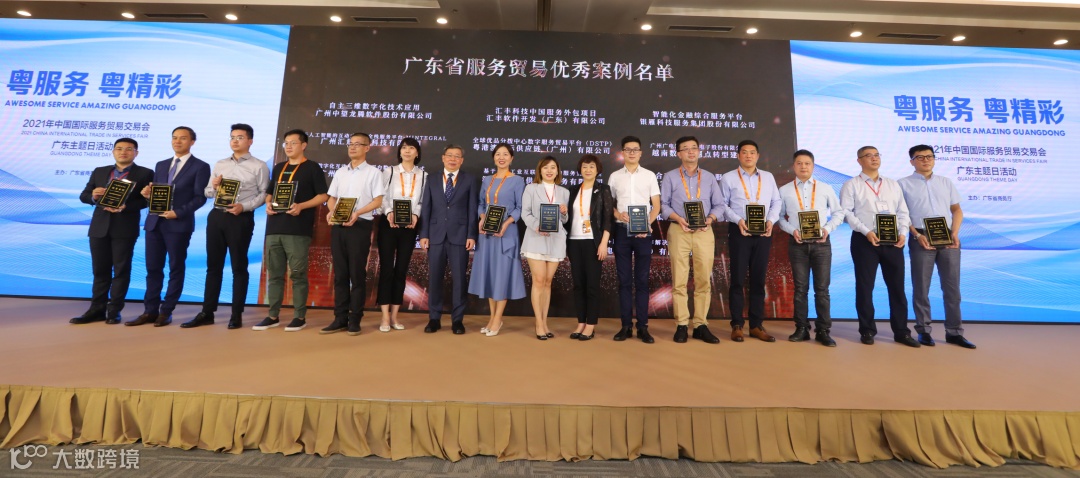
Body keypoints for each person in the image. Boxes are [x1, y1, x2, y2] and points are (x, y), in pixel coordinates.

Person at [182, 123, 269, 330]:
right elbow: (207, 192)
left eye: (240, 137)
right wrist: (213, 187)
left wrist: (244, 207)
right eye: (232, 137)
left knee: (239, 266)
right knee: (213, 266)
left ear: (250, 141)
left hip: (240, 218)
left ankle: (236, 314)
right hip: (217, 217)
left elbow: (263, 194)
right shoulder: (220, 164)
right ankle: (207, 312)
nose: (235, 141)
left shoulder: (259, 166)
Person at [125, 126, 211, 327]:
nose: (177, 141)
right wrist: (148, 195)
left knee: (175, 268)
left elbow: (200, 197)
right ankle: (150, 311)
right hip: (155, 223)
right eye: (174, 138)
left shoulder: (200, 166)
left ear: (192, 142)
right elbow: (158, 193)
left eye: (183, 138)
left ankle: (166, 311)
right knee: (152, 268)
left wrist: (178, 212)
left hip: (178, 224)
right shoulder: (161, 164)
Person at [840, 146, 919, 347]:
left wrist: (903, 233)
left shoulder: (892, 184)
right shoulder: (851, 185)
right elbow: (847, 213)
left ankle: (901, 331)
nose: (874, 158)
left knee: (897, 287)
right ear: (859, 160)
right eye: (869, 156)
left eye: (876, 155)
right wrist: (866, 231)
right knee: (865, 287)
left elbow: (903, 212)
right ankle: (867, 330)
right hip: (864, 240)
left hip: (893, 240)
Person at [898, 144, 975, 349]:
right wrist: (916, 235)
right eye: (920, 157)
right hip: (921, 237)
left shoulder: (945, 182)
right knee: (921, 287)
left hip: (947, 237)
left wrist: (954, 233)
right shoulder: (902, 184)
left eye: (929, 156)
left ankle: (954, 332)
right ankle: (923, 331)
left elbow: (956, 210)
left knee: (952, 287)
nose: (926, 160)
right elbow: (901, 215)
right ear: (912, 161)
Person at [251, 129, 328, 332]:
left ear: (304, 145)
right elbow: (269, 193)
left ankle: (299, 317)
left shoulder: (312, 167)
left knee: (298, 275)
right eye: (286, 143)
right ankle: (272, 315)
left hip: (298, 230)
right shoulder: (279, 167)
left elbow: (323, 196)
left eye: (293, 142)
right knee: (274, 275)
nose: (289, 146)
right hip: (274, 228)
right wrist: (268, 204)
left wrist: (301, 206)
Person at [71, 138, 154, 325]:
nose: (123, 152)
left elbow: (146, 201)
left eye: (128, 149)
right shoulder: (100, 171)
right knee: (100, 271)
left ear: (136, 153)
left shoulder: (145, 173)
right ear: (113, 152)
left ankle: (114, 310)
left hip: (125, 227)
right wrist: (93, 196)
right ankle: (96, 309)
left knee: (121, 271)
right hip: (99, 227)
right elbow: (84, 195)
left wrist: (126, 206)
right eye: (119, 148)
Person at [776, 149, 845, 347]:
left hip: (821, 244)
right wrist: (792, 231)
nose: (803, 166)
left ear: (813, 166)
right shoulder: (784, 190)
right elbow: (779, 217)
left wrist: (827, 229)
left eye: (807, 163)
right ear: (793, 166)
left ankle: (823, 330)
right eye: (799, 163)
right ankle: (801, 328)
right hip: (797, 244)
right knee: (800, 289)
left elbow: (839, 213)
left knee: (822, 290)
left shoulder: (825, 188)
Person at [660, 136, 724, 344]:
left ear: (699, 151)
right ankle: (681, 324)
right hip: (679, 229)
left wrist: (709, 219)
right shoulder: (670, 177)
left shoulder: (709, 177)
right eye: (685, 149)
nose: (690, 151)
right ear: (678, 154)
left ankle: (700, 325)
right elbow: (663, 205)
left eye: (694, 148)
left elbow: (719, 205)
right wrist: (678, 218)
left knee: (703, 279)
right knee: (679, 279)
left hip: (704, 231)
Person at [321, 132, 385, 336]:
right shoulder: (341, 172)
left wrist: (357, 213)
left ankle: (355, 318)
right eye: (350, 144)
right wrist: (332, 211)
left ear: (367, 148)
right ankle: (340, 318)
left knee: (357, 274)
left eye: (358, 144)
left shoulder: (374, 172)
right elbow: (331, 197)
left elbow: (378, 201)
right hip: (339, 226)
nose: (353, 147)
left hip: (360, 226)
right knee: (340, 274)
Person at [720, 140, 782, 343]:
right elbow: (722, 205)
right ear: (738, 155)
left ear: (758, 156)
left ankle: (756, 325)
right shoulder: (728, 177)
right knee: (737, 280)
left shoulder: (768, 177)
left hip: (763, 233)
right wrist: (738, 220)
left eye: (752, 152)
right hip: (740, 231)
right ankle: (737, 325)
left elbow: (776, 201)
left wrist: (771, 221)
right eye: (744, 152)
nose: (748, 155)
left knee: (758, 280)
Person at [467, 143, 526, 337]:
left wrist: (506, 223)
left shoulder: (517, 180)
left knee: (502, 276)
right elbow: (481, 204)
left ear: (512, 158)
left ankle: (498, 318)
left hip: (506, 233)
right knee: (490, 276)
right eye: (498, 154)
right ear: (493, 157)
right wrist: (482, 217)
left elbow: (519, 208)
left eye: (505, 154)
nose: (502, 157)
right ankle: (492, 318)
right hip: (487, 234)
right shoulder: (487, 180)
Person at [419, 144, 478, 334]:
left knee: (459, 280)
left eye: (457, 156)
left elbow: (472, 209)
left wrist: (471, 235)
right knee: (434, 278)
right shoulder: (432, 178)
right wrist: (424, 234)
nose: (453, 159)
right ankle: (434, 318)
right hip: (435, 235)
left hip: (460, 236)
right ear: (443, 158)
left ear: (462, 160)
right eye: (450, 155)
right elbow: (426, 208)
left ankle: (457, 320)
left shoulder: (469, 179)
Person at [608, 135, 660, 343]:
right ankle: (626, 326)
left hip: (643, 234)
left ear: (640, 153)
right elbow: (609, 205)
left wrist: (646, 224)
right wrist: (618, 214)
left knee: (642, 280)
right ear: (622, 153)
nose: (631, 152)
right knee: (624, 281)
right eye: (628, 149)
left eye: (635, 149)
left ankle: (643, 327)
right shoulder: (614, 177)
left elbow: (656, 206)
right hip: (621, 232)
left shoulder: (649, 176)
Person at [375, 137, 427, 332]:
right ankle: (384, 317)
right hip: (388, 224)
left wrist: (415, 214)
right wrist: (389, 212)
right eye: (404, 147)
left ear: (417, 153)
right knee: (387, 269)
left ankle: (395, 316)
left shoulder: (423, 175)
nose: (407, 151)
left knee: (401, 271)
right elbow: (381, 197)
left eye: (411, 148)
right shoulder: (389, 172)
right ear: (399, 151)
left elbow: (421, 201)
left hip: (409, 226)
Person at [521, 156, 570, 340]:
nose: (549, 171)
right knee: (539, 280)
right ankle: (538, 324)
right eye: (546, 167)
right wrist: (537, 226)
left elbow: (564, 219)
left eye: (553, 167)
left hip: (556, 240)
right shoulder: (531, 188)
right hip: (536, 238)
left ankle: (545, 321)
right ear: (540, 170)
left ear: (557, 171)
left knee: (548, 282)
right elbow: (525, 213)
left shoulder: (564, 192)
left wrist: (564, 213)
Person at [565, 155, 613, 341]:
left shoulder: (603, 190)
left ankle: (591, 324)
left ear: (597, 169)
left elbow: (608, 219)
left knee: (592, 285)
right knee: (578, 285)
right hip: (574, 241)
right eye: (585, 167)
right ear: (580, 169)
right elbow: (568, 217)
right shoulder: (572, 190)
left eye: (591, 167)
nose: (588, 170)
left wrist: (604, 242)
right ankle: (580, 322)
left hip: (593, 242)